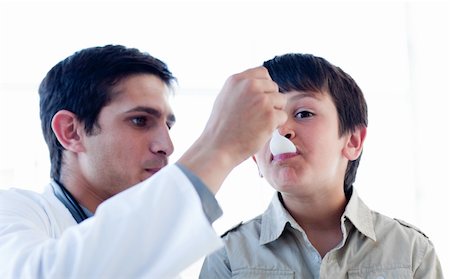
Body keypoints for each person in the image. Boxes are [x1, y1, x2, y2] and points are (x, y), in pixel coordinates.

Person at [0, 45, 287, 278]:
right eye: (140, 121)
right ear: (71, 132)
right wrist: (219, 147)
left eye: (168, 126)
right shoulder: (12, 213)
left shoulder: (148, 249)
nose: (167, 146)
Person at [200, 53, 443, 278]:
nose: (282, 131)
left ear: (352, 140)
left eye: (304, 113)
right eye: (269, 119)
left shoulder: (412, 253)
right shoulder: (227, 257)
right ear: (255, 156)